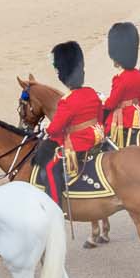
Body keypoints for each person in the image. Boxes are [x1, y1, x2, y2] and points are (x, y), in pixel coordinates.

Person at [35, 41, 105, 205]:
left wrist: (47, 129)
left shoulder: (67, 101)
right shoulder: (91, 92)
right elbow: (100, 116)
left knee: (51, 169)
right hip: (98, 136)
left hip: (79, 143)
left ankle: (55, 206)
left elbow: (56, 128)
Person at [102, 22, 140, 146]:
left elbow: (111, 103)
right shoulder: (138, 74)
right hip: (137, 118)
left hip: (121, 121)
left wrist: (102, 104)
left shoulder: (120, 78)